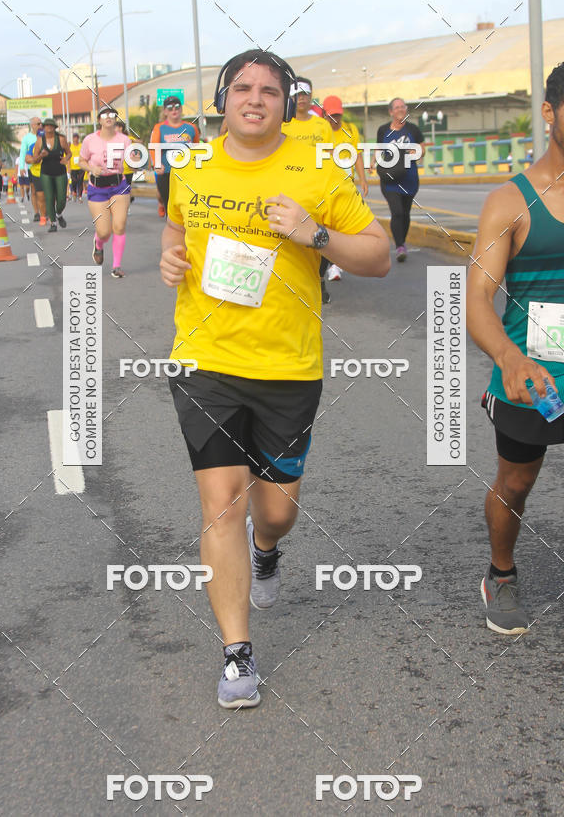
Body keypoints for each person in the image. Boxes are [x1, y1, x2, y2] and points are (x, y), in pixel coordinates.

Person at [160, 49, 390, 709]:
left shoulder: (317, 167)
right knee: (220, 504)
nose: (254, 98)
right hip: (205, 360)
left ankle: (268, 549)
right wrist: (172, 258)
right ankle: (237, 653)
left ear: (286, 102)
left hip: (289, 367)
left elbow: (375, 256)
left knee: (276, 510)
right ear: (223, 99)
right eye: (242, 88)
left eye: (268, 90)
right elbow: (177, 229)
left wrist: (314, 233)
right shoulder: (193, 165)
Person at [467, 62, 564, 636]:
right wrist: (509, 357)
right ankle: (500, 573)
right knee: (517, 482)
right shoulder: (511, 201)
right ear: (549, 113)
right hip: (535, 374)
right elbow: (478, 296)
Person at [284, 78, 334, 302]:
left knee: (319, 233)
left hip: (316, 189)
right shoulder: (283, 125)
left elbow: (330, 157)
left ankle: (320, 277)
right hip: (289, 187)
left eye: (305, 94)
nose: (301, 98)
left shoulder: (321, 126)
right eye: (297, 95)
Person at [78, 104, 132, 279]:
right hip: (97, 188)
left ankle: (117, 266)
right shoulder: (90, 140)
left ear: (116, 119)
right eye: (104, 114)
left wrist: (136, 160)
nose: (108, 117)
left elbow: (132, 160)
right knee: (104, 231)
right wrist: (91, 168)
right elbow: (81, 161)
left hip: (119, 186)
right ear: (99, 119)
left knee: (120, 224)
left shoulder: (124, 140)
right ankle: (98, 244)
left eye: (112, 114)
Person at [322, 95, 368, 282]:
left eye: (338, 115)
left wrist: (363, 179)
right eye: (331, 115)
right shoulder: (319, 130)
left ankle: (334, 265)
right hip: (324, 185)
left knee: (342, 228)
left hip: (346, 184)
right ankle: (325, 267)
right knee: (326, 227)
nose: (335, 119)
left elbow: (356, 155)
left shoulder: (350, 129)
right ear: (324, 114)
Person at [376, 97, 425, 262]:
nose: (400, 110)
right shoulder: (383, 130)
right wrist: (374, 163)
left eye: (403, 107)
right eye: (396, 107)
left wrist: (416, 152)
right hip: (390, 179)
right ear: (391, 112)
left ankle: (401, 240)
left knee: (405, 213)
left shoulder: (413, 129)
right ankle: (399, 246)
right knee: (396, 212)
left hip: (409, 178)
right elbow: (379, 150)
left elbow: (422, 148)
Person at [150, 96, 200, 219]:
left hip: (186, 172)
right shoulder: (159, 128)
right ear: (165, 111)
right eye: (170, 107)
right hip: (166, 172)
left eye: (177, 107)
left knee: (187, 203)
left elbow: (197, 147)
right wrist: (157, 164)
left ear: (181, 109)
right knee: (169, 204)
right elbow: (153, 147)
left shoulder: (191, 127)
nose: (174, 110)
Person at [32, 118, 71, 232]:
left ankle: (59, 214)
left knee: (61, 199)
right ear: (43, 128)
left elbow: (69, 153)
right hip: (46, 173)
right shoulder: (39, 141)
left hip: (60, 172)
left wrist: (66, 159)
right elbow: (35, 160)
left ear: (54, 128)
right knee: (48, 198)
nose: (48, 128)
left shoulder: (61, 139)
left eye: (51, 126)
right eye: (46, 126)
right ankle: (53, 223)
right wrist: (41, 156)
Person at [19, 117, 41, 218]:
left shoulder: (44, 136)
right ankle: (36, 212)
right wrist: (21, 167)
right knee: (34, 190)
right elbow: (23, 153)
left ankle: (45, 211)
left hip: (44, 168)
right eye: (38, 123)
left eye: (41, 123)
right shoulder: (27, 138)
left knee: (45, 191)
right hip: (32, 168)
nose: (40, 125)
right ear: (32, 125)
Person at [116, 118, 136, 206]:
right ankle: (122, 204)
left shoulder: (128, 138)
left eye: (116, 127)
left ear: (120, 128)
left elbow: (135, 148)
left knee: (126, 188)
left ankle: (126, 205)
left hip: (128, 168)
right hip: (117, 169)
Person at [69, 132, 84, 202]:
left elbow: (84, 155)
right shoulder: (70, 147)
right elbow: (68, 157)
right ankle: (74, 192)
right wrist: (68, 167)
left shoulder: (81, 146)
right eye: (74, 138)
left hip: (81, 166)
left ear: (78, 138)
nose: (75, 139)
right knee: (74, 181)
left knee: (80, 181)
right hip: (73, 167)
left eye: (76, 138)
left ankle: (80, 196)